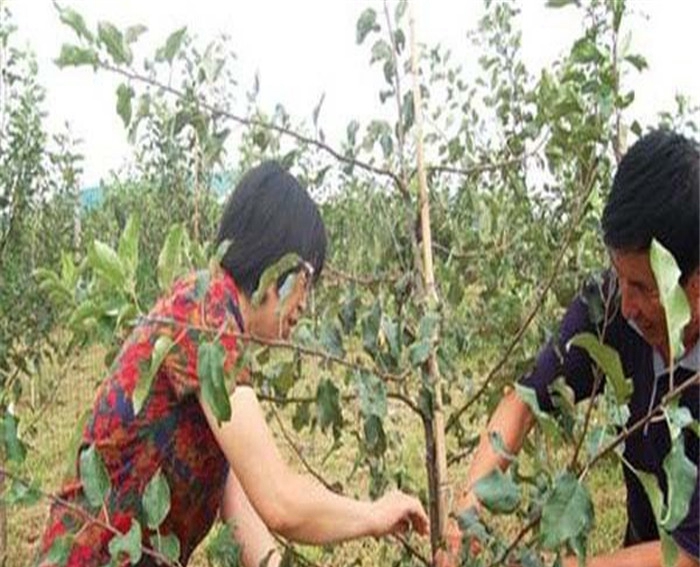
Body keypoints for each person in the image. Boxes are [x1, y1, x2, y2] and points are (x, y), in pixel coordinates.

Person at [35, 161, 429, 567]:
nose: (305, 305)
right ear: (280, 263)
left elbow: (241, 501)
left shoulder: (221, 337)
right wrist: (374, 514)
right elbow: (279, 502)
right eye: (307, 281)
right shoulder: (204, 313)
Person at [440, 129, 699, 567]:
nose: (628, 304)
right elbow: (526, 400)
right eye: (620, 277)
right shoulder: (611, 306)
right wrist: (468, 506)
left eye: (643, 287)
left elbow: (686, 558)